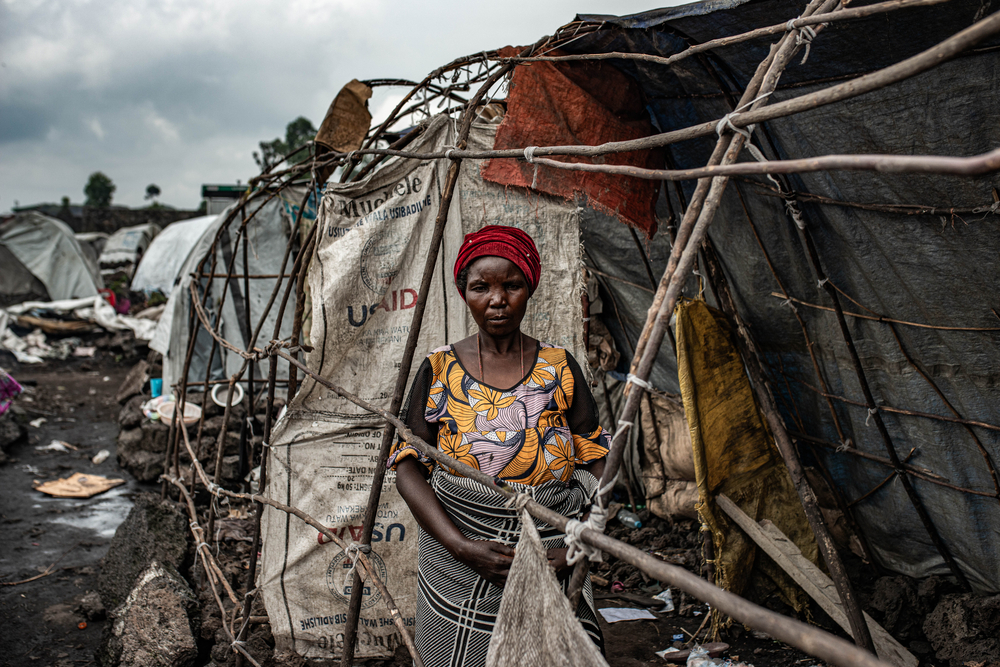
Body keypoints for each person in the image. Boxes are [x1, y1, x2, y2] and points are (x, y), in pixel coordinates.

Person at [388, 225, 609, 667]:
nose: (496, 299)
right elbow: (407, 463)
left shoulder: (558, 366)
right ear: (463, 292)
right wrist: (461, 546)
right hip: (460, 551)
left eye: (512, 285)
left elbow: (597, 459)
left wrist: (574, 546)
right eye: (480, 287)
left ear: (529, 287)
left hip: (552, 547)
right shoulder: (439, 367)